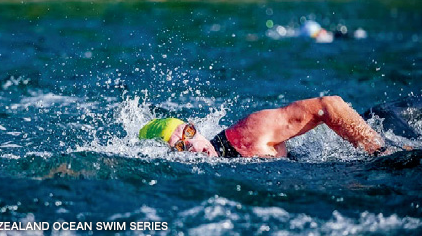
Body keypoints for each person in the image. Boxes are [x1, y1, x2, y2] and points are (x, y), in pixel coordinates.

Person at [138, 96, 387, 158]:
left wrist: (379, 152)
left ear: (196, 127)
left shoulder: (246, 136)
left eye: (189, 133)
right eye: (181, 147)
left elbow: (328, 105)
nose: (195, 147)